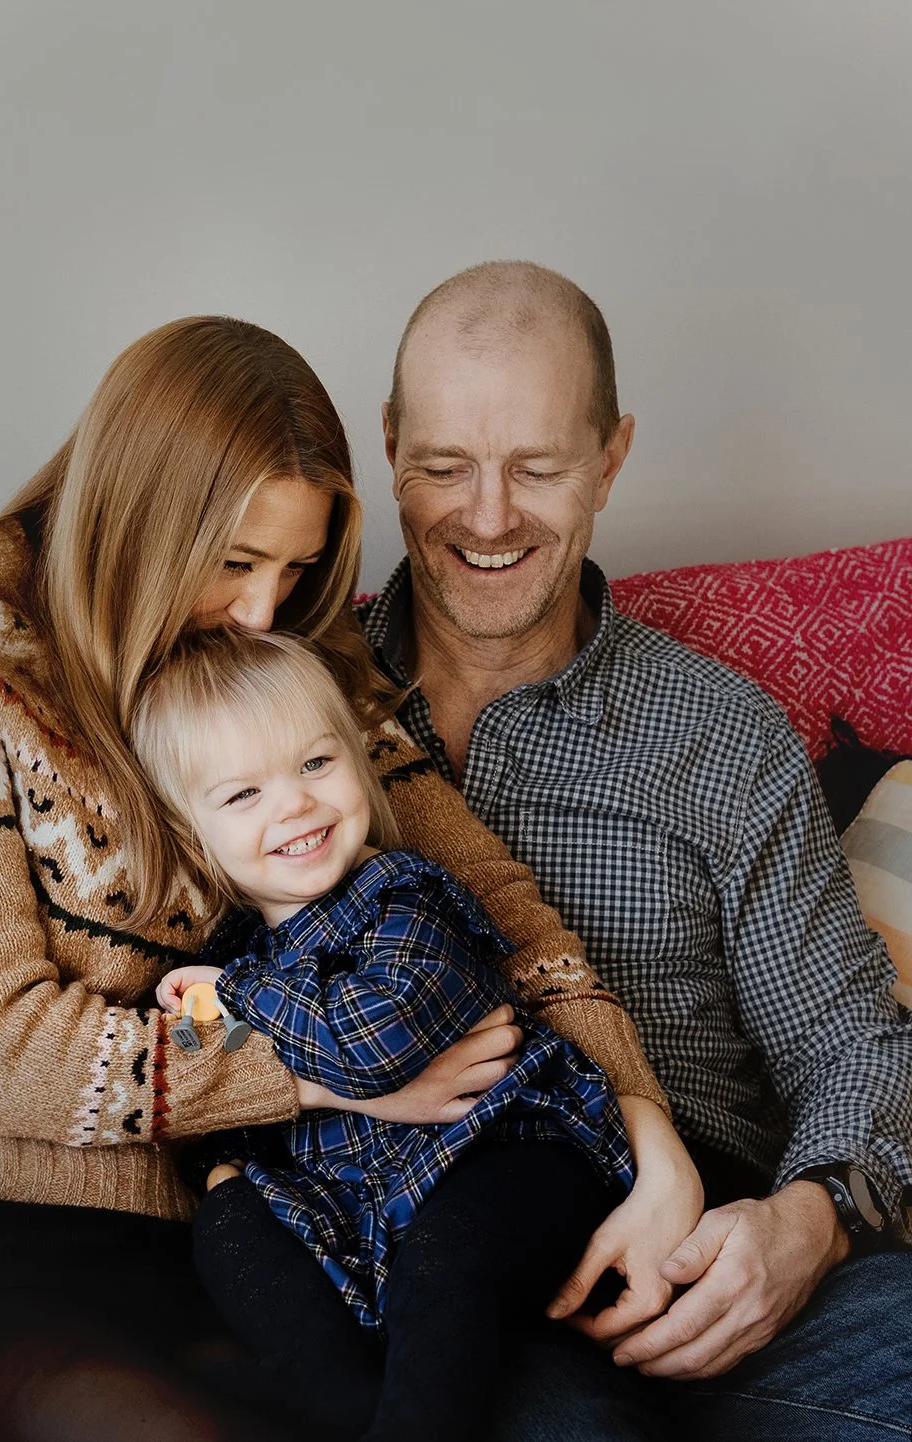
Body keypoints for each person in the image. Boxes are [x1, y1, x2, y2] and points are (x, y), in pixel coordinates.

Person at [0, 314, 691, 1442]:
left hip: (204, 1237)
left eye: (295, 568)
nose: (261, 610)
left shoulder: (282, 662)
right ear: (133, 517)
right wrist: (330, 1074)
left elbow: (503, 910)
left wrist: (646, 1134)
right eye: (235, 562)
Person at [358, 259, 912, 1439]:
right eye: (445, 465)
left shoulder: (718, 731)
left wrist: (796, 1229)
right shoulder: (291, 709)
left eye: (538, 467)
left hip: (717, 1248)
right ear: (389, 443)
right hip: (452, 1256)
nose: (489, 515)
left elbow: (848, 1038)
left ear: (609, 458)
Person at [132, 624, 651, 1441]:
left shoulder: (404, 899)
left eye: (315, 763)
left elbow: (372, 1050)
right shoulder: (228, 957)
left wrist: (233, 998)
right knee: (229, 1229)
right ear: (193, 836)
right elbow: (226, 1094)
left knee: (450, 1270)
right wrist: (224, 1160)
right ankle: (348, 1411)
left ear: (358, 761)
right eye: (243, 794)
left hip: (502, 1152)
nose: (296, 803)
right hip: (351, 1206)